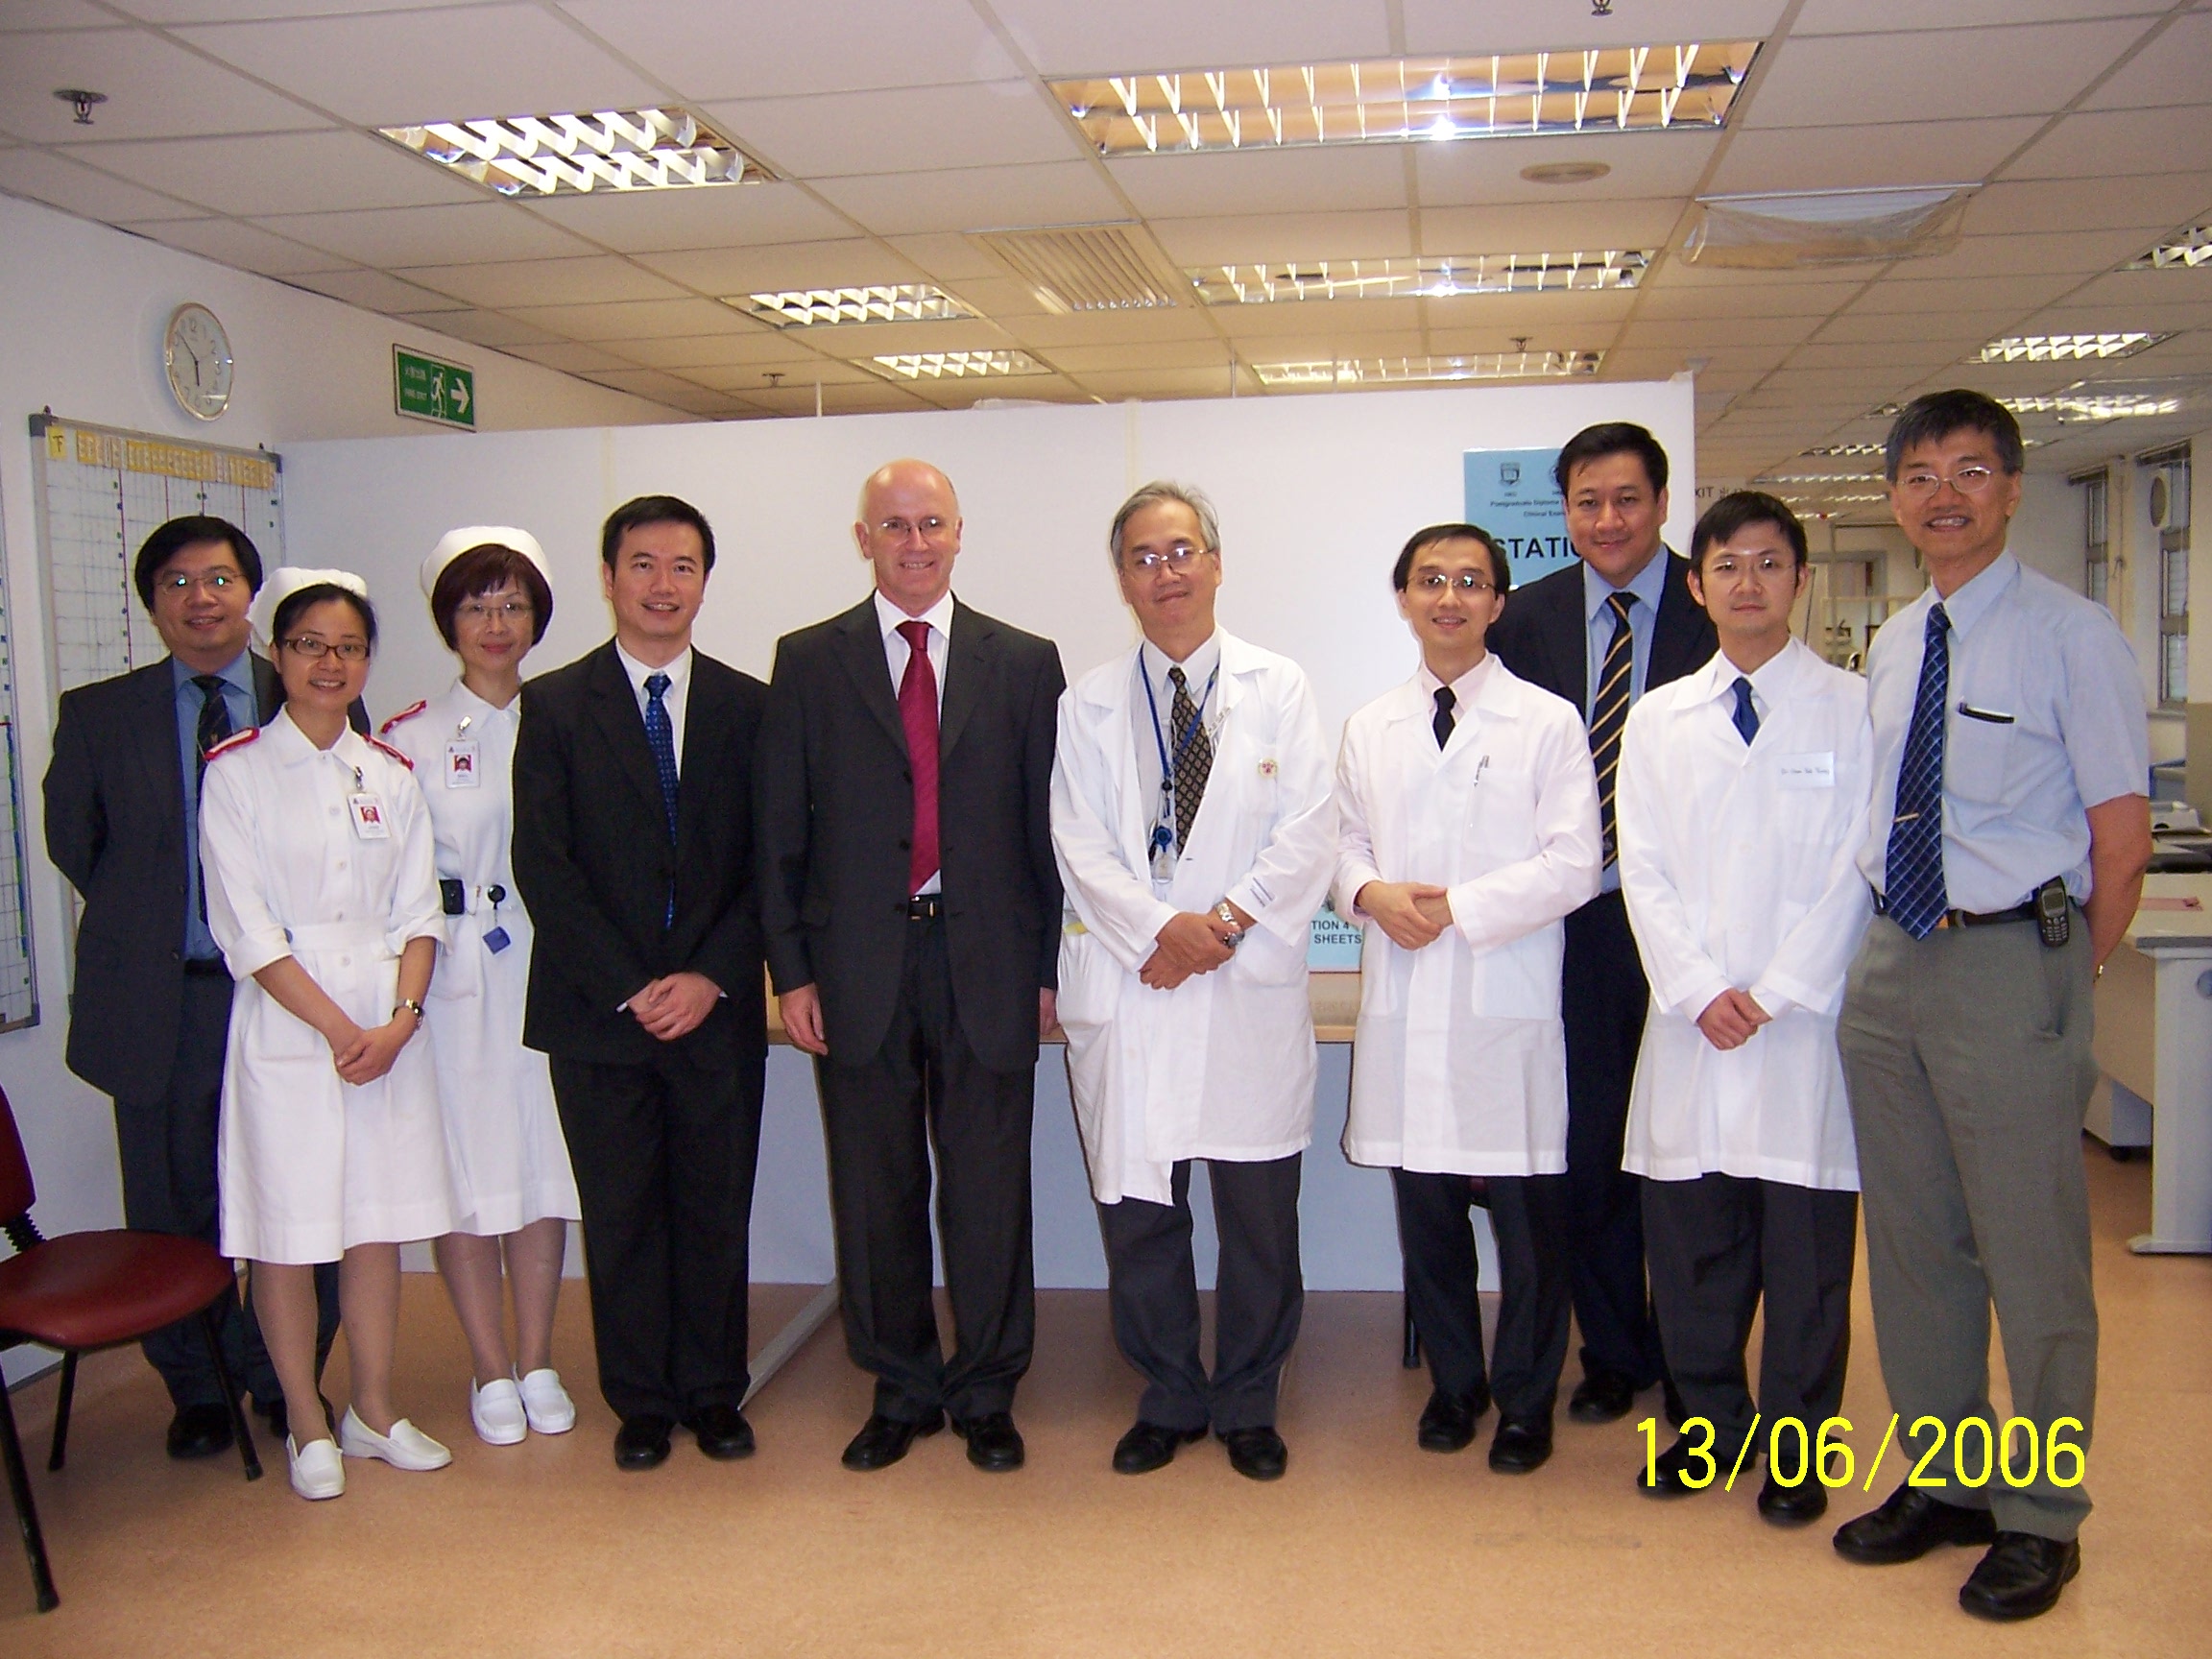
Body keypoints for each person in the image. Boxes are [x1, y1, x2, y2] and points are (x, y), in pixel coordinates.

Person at [1829, 391, 2151, 1622]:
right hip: (1893, 960)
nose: (1944, 494)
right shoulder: (1902, 638)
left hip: (2014, 959)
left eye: (1970, 471)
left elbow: (2120, 842)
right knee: (1914, 1250)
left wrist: (2063, 977)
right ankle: (1949, 1482)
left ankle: (2043, 1514)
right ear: (1898, 499)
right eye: (1920, 475)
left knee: (2033, 1259)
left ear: (2012, 489)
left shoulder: (2075, 637)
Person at [758, 460, 1064, 1475]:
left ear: (959, 532)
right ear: (864, 540)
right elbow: (781, 836)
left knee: (988, 1189)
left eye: (931, 523)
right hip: (857, 968)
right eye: (894, 525)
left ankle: (986, 1387)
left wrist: (1051, 965)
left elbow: (1045, 833)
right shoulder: (808, 661)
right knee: (874, 1188)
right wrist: (791, 972)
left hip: (989, 962)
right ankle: (900, 1385)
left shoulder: (1025, 662)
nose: (915, 541)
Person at [1052, 482, 1334, 1482]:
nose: (1164, 572)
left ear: (1216, 563)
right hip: (1137, 984)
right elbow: (1079, 843)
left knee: (1259, 1212)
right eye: (1142, 556)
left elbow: (1309, 831)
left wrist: (1212, 928)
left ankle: (1250, 1397)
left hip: (1237, 974)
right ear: (1121, 576)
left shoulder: (1281, 688)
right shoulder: (1083, 703)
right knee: (1143, 1210)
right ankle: (1170, 1389)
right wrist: (1156, 933)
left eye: (1181, 552)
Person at [42, 516, 340, 1460]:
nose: (201, 598)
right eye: (177, 582)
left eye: (219, 578)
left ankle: (280, 1373)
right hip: (163, 998)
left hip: (283, 996)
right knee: (172, 1205)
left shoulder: (312, 694)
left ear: (250, 596)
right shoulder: (100, 715)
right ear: (153, 602)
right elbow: (76, 844)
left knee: (297, 1191)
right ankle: (199, 1385)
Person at [1614, 492, 1872, 1525]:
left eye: (1770, 564)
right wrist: (1696, 987)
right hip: (1691, 1022)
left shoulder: (1855, 711)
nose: (1749, 583)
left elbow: (1861, 865)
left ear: (1800, 582)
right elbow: (1645, 868)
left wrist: (1773, 991)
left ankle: (1800, 1450)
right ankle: (1708, 1432)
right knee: (1691, 1254)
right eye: (1729, 566)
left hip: (1804, 1024)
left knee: (1808, 1257)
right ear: (1697, 584)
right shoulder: (1660, 718)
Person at [1333, 523, 1599, 1476]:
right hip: (1407, 1000)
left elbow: (1576, 862)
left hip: (1506, 999)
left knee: (1531, 1230)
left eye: (1471, 582)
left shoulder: (1549, 722)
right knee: (1429, 1218)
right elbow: (1344, 848)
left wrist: (1460, 908)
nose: (1450, 598)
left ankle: (1527, 1401)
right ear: (1404, 597)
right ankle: (1456, 1387)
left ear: (1497, 602)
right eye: (1431, 581)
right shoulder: (1371, 724)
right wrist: (1370, 895)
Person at [511, 495, 768, 1473]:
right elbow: (545, 863)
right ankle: (642, 1401)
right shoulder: (556, 704)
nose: (664, 585)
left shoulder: (752, 705)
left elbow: (771, 863)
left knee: (713, 1209)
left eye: (684, 566)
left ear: (706, 579)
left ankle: (712, 1392)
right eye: (644, 565)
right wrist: (631, 984)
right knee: (621, 1214)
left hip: (715, 1009)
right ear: (610, 576)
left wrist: (707, 975)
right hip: (597, 1015)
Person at [199, 568, 452, 1502]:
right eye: (310, 643)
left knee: (374, 1230)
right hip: (289, 1029)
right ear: (277, 652)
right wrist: (346, 1030)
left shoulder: (388, 773)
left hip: (387, 1034)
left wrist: (399, 1024)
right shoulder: (235, 775)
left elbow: (422, 914)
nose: (330, 661)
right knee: (287, 1230)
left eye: (348, 646)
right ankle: (307, 1419)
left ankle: (373, 1408)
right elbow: (248, 932)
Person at [1487, 421, 1716, 1425]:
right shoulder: (1524, 620)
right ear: (1565, 513)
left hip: (1695, 927)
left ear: (1662, 505)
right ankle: (1618, 1353)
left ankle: (1704, 1353)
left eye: (1627, 499)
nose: (1609, 519)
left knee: (1690, 1146)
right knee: (1589, 1149)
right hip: (1573, 926)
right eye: (1588, 502)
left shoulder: (1718, 610)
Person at [381, 527, 581, 1447]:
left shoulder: (569, 716)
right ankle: (487, 1365)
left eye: (512, 604)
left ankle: (537, 1356)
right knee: (466, 1169)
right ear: (446, 620)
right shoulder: (408, 737)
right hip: (454, 966)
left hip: (551, 959)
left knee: (542, 1167)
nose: (495, 624)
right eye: (475, 605)